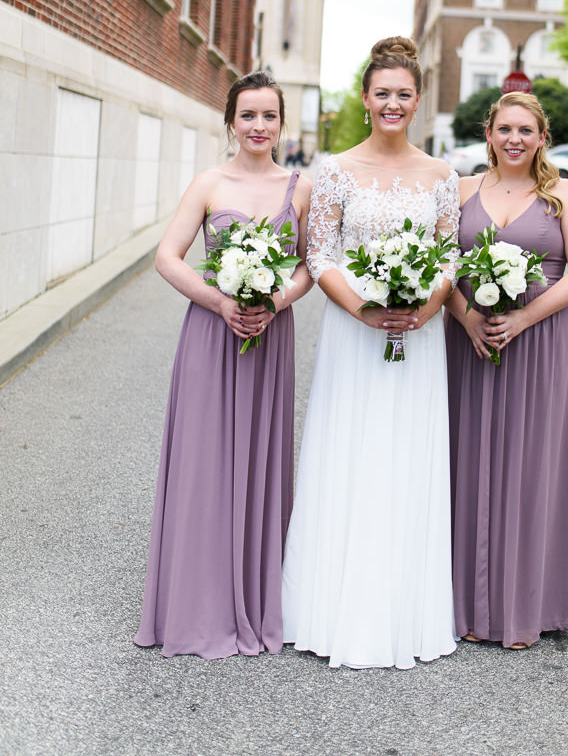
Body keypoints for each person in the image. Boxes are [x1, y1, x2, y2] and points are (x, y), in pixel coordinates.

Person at [281, 37, 459, 669]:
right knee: (350, 450)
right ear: (364, 98)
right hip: (355, 335)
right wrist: (366, 309)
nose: (392, 103)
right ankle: (333, 607)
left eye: (403, 95)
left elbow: (450, 255)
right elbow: (320, 254)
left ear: (417, 101)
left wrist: (425, 307)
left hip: (419, 334)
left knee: (408, 455)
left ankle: (405, 610)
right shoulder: (334, 171)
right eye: (381, 93)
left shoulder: (442, 175)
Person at [134, 71, 312, 658]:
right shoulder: (209, 182)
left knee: (259, 460)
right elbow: (167, 257)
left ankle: (254, 595)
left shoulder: (301, 188)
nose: (259, 127)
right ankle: (197, 600)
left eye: (269, 116)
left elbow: (311, 266)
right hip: (212, 335)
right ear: (230, 122)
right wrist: (221, 301)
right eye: (248, 116)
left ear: (281, 123)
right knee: (204, 461)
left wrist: (276, 300)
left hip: (269, 337)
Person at [444, 92, 568, 649]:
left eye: (525, 130)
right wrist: (465, 320)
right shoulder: (461, 191)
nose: (514, 139)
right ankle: (466, 602)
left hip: (541, 342)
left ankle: (526, 603)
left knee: (532, 461)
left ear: (542, 138)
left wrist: (524, 318)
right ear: (488, 134)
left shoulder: (563, 195)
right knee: (469, 456)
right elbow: (441, 270)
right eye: (504, 128)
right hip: (472, 340)